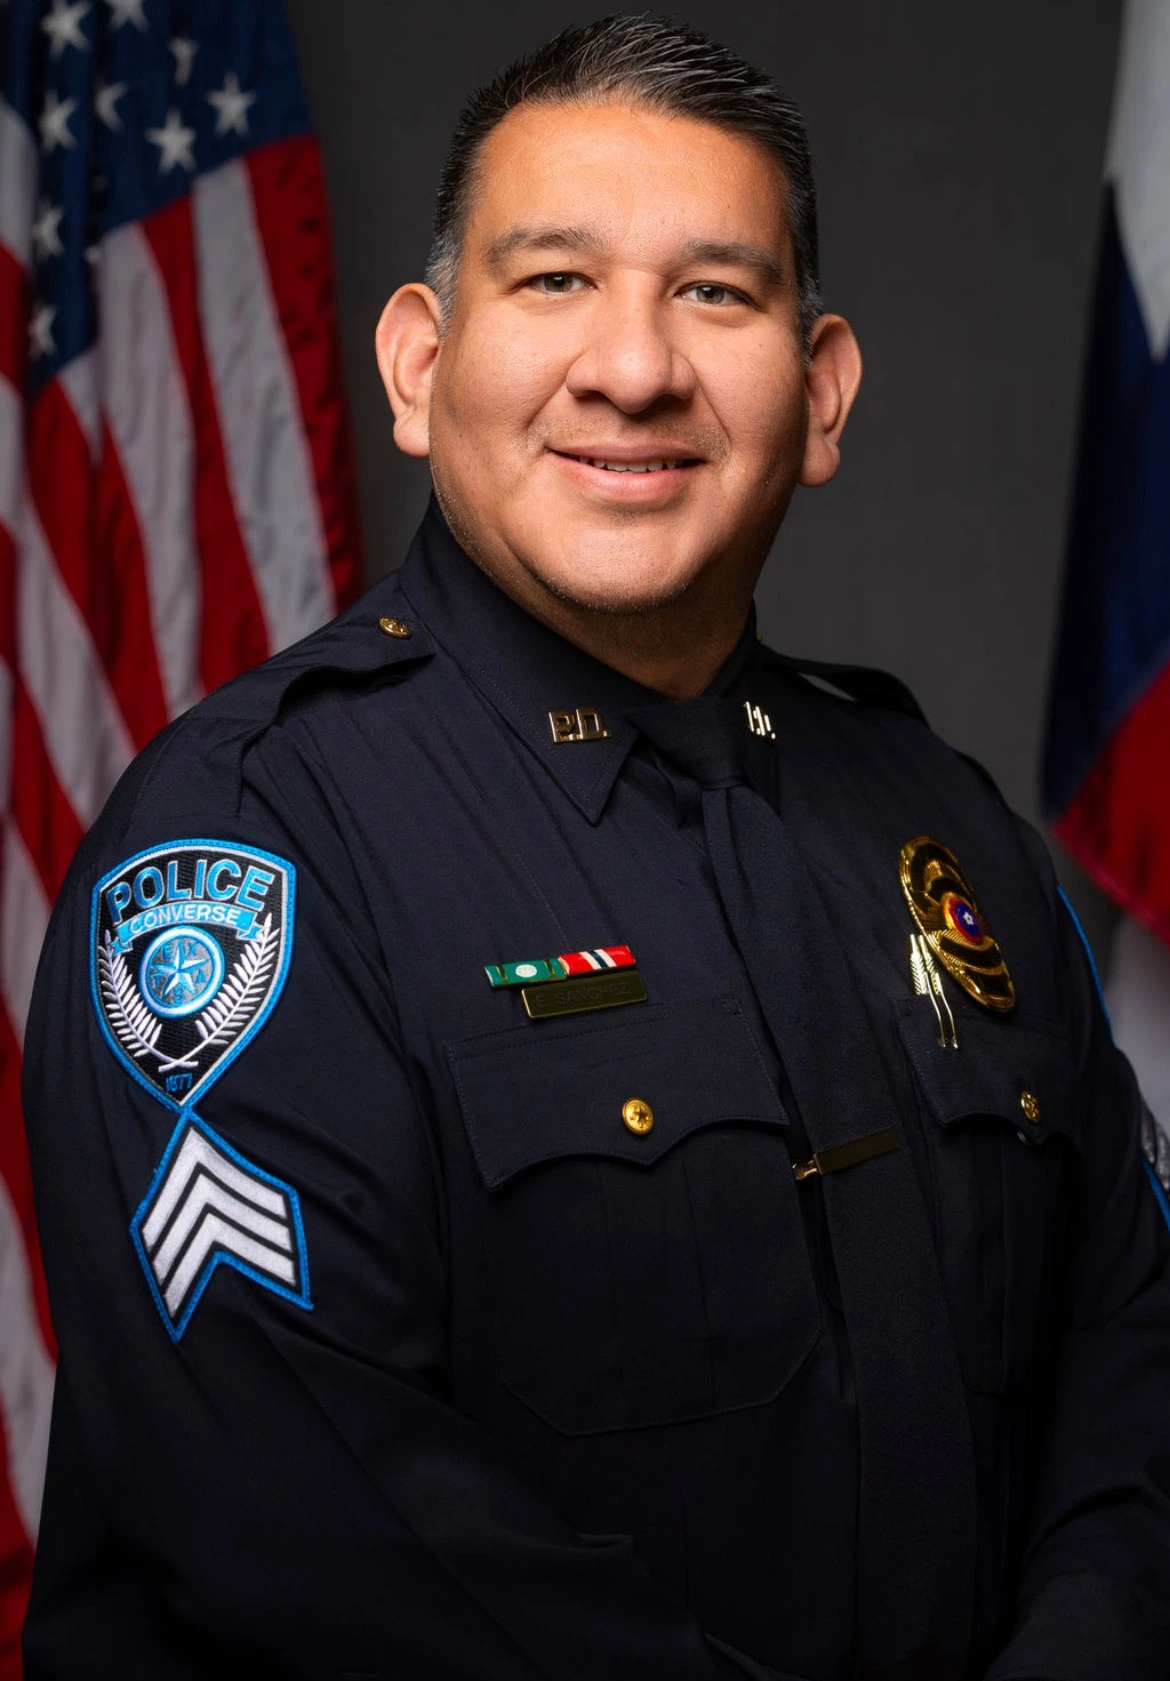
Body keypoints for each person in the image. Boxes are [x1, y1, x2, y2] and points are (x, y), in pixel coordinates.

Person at [21, 15, 1170, 1681]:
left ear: (823, 391)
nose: (634, 366)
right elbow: (321, 1528)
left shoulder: (948, 831)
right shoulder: (245, 850)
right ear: (418, 367)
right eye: (554, 280)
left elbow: (1126, 1367)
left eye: (716, 291)